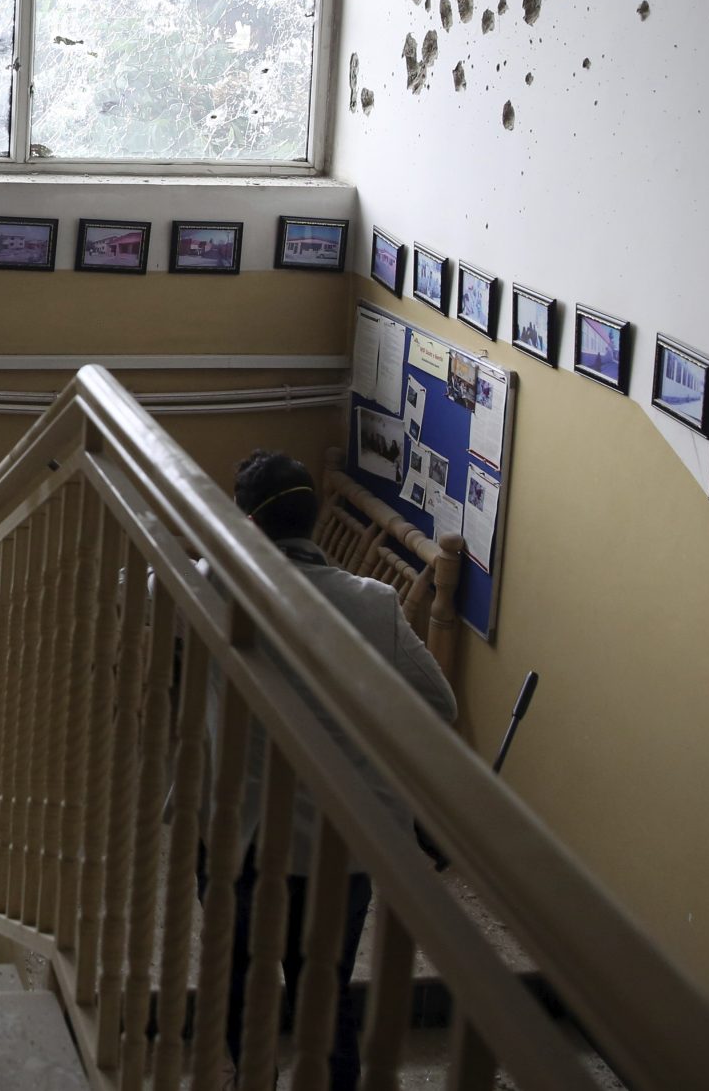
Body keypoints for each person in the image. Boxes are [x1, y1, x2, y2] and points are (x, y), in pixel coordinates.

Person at [207, 449, 457, 1090]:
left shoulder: (216, 586)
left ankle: (249, 1078)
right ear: (313, 521)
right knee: (325, 987)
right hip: (344, 843)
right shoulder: (374, 604)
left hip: (247, 841)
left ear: (250, 526)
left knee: (240, 982)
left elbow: (147, 585)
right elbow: (438, 704)